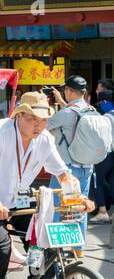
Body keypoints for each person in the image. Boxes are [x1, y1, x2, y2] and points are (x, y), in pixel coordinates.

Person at [0, 91, 95, 279]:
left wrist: (79, 198)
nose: (39, 125)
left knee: (41, 242)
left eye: (44, 120)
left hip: (16, 201)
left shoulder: (45, 139)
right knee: (2, 249)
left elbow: (63, 173)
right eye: (33, 119)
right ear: (19, 115)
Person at [47, 75, 93, 257]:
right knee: (81, 205)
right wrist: (61, 101)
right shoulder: (90, 109)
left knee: (57, 205)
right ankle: (78, 248)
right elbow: (73, 116)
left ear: (68, 91)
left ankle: (54, 248)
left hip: (66, 170)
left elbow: (44, 125)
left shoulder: (65, 114)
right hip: (87, 168)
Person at [89, 86, 114, 224]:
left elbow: (103, 140)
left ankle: (103, 212)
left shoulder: (106, 118)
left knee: (96, 181)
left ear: (104, 103)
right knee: (112, 183)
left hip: (107, 155)